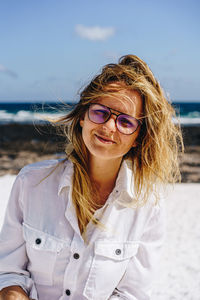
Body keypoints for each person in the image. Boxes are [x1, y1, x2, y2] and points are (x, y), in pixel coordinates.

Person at [0, 54, 183, 300]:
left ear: (138, 137)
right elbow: (8, 271)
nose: (109, 127)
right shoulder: (30, 183)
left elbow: (132, 294)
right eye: (101, 112)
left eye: (125, 122)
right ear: (83, 115)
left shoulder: (148, 205)